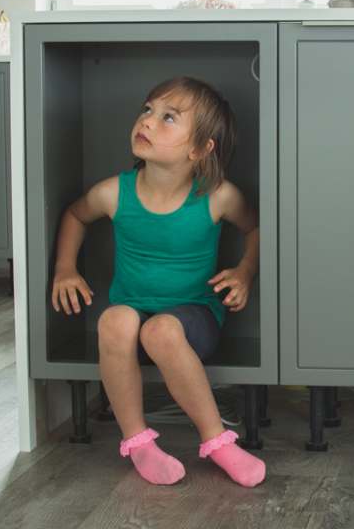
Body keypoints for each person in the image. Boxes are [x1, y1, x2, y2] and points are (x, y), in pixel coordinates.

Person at [50, 76, 265, 487]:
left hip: (191, 321)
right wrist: (65, 267)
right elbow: (75, 216)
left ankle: (218, 443)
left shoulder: (217, 195)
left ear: (199, 149)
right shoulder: (114, 192)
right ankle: (139, 444)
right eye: (147, 110)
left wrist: (245, 271)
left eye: (168, 118)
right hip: (133, 319)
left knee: (162, 329)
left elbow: (256, 228)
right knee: (113, 321)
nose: (147, 121)